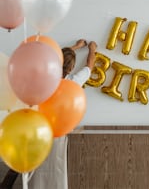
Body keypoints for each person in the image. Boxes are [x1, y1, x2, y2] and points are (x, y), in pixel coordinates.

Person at [28, 39, 97, 189]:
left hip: (39, 129)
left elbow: (53, 57)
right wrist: (92, 50)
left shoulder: (44, 76)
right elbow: (89, 67)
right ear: (71, 68)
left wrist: (76, 47)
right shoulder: (73, 82)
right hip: (59, 132)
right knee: (56, 166)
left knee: (38, 166)